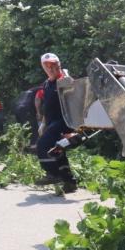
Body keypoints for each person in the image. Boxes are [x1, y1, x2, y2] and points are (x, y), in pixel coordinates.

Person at [34, 53, 77, 193]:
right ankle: (69, 183)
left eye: (53, 65)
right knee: (58, 150)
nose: (51, 68)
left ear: (59, 64)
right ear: (43, 68)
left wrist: (66, 75)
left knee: (43, 145)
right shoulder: (46, 84)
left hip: (64, 122)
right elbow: (46, 105)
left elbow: (74, 90)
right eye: (47, 66)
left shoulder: (64, 79)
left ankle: (53, 174)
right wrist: (43, 123)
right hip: (51, 122)